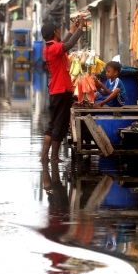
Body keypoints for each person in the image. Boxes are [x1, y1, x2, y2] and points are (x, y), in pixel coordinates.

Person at [40, 17, 85, 164]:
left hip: (54, 90)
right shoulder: (55, 48)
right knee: (60, 124)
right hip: (62, 90)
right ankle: (53, 157)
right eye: (58, 30)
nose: (60, 32)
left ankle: (44, 156)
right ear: (55, 32)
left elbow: (63, 44)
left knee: (52, 124)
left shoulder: (48, 48)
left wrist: (72, 30)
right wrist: (80, 28)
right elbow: (69, 44)